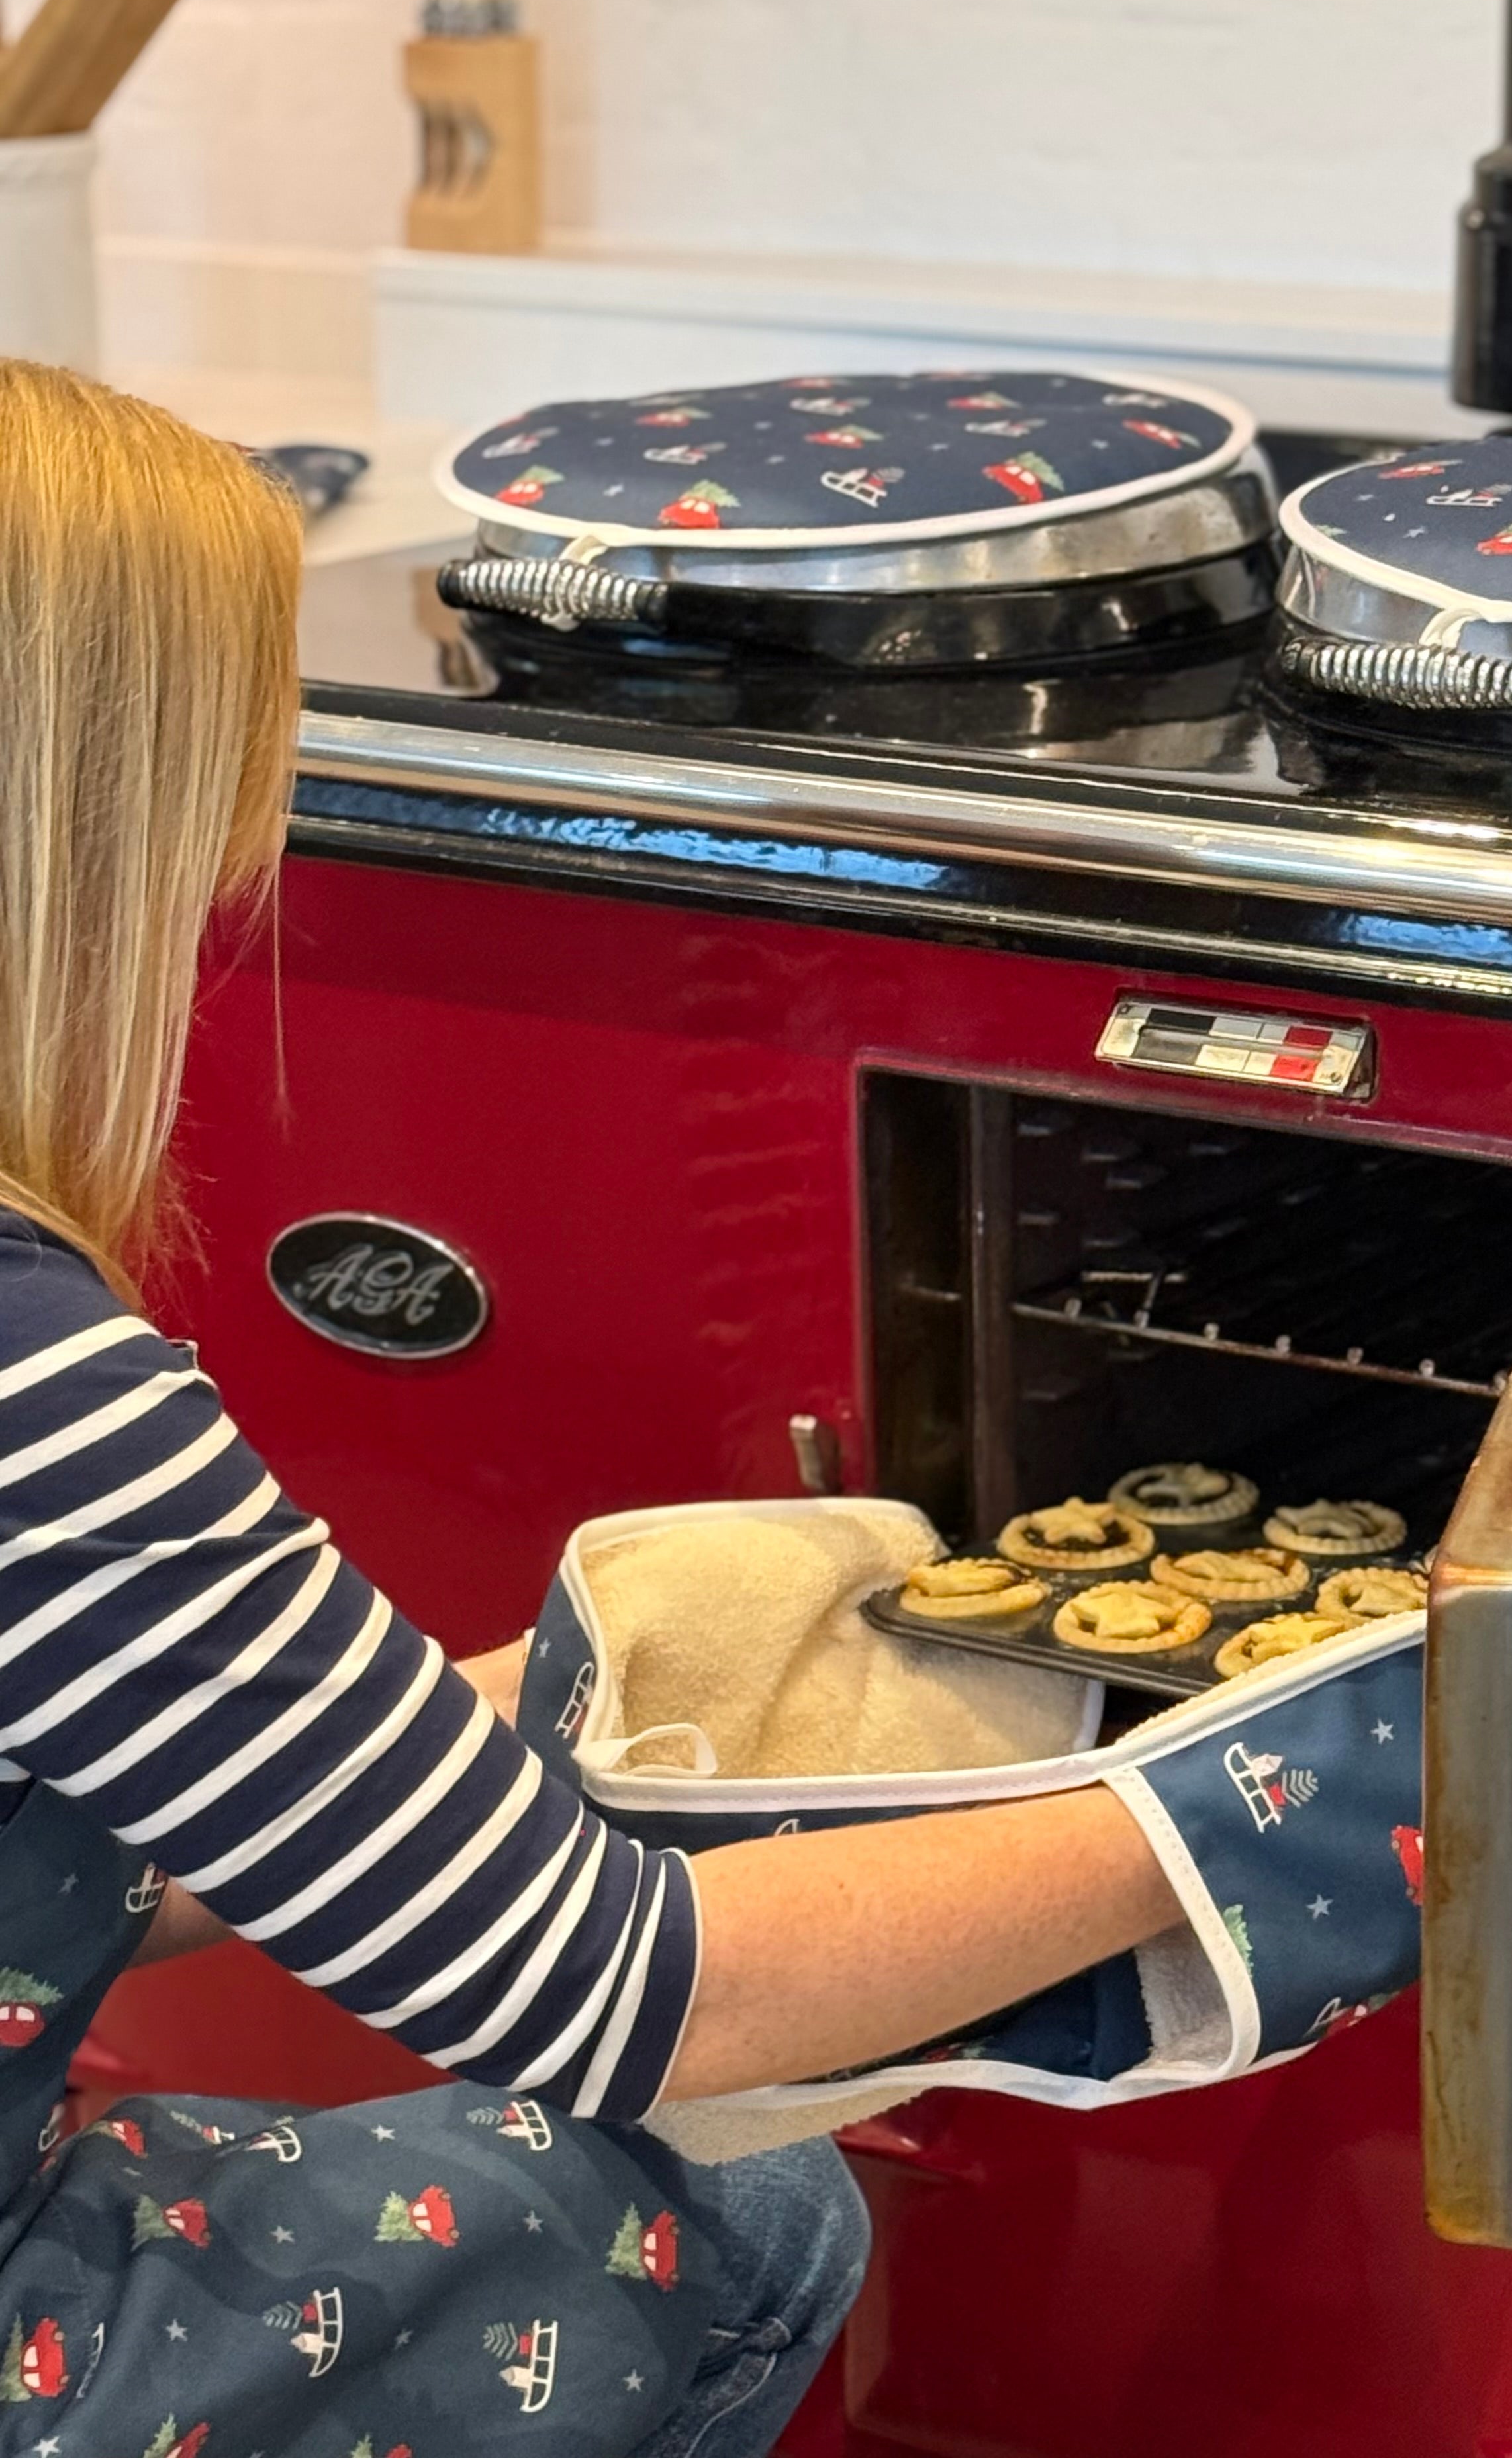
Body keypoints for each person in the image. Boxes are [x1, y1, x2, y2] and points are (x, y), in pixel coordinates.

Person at [0, 364, 1184, 2458]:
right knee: (735, 2205)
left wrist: (542, 1700)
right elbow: (649, 2003)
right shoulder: (32, 1380)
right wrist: (1251, 1819)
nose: (227, 885)